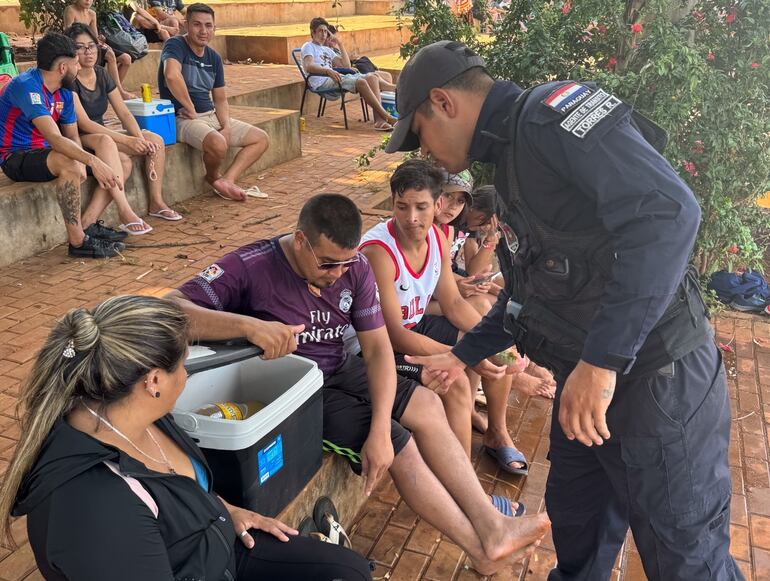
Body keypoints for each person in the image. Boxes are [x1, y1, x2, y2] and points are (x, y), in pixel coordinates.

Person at [389, 40, 740, 580]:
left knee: (685, 559)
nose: (425, 150)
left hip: (655, 381)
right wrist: (464, 356)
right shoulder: (508, 164)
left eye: (419, 130)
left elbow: (669, 215)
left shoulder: (551, 118)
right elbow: (529, 291)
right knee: (578, 533)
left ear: (443, 101)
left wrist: (601, 364)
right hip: (586, 385)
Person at [166, 193, 550, 576]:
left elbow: (379, 349)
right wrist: (248, 326)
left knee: (428, 407)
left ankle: (491, 525)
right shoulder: (251, 266)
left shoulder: (356, 267)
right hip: (298, 393)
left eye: (345, 263)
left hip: (341, 366)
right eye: (328, 263)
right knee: (403, 447)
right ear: (300, 240)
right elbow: (170, 307)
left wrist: (381, 426)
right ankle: (478, 549)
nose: (337, 273)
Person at [0, 295, 375, 580]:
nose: (188, 373)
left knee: (350, 571)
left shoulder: (135, 412)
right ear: (154, 381)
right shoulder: (95, 509)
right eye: (182, 363)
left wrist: (224, 510)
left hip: (216, 543)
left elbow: (176, 485)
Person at [352, 159, 531, 475]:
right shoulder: (379, 251)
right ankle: (466, 487)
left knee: (491, 345)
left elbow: (453, 303)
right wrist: (463, 357)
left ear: (438, 204)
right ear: (392, 203)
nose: (411, 218)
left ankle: (496, 433)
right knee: (456, 380)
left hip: (415, 324)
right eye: (402, 206)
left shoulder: (438, 236)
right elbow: (395, 335)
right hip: (375, 344)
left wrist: (500, 346)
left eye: (421, 207)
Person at [0, 32, 126, 258]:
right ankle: (78, 242)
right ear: (62, 68)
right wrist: (90, 161)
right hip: (16, 157)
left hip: (49, 153)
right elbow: (56, 138)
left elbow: (71, 136)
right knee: (70, 161)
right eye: (76, 63)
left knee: (121, 162)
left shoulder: (65, 91)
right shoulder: (27, 87)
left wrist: (85, 160)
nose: (79, 68)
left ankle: (87, 224)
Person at [431, 176, 556, 401]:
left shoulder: (450, 230)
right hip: (427, 302)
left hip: (445, 289)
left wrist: (490, 237)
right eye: (447, 197)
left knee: (496, 295)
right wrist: (466, 284)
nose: (452, 207)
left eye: (459, 201)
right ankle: (515, 366)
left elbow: (469, 272)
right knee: (485, 304)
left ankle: (522, 362)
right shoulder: (443, 229)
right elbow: (465, 273)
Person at [66, 23, 182, 225]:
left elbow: (124, 112)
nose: (88, 52)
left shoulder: (101, 74)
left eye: (91, 46)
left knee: (154, 140)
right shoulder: (70, 80)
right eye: (80, 47)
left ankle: (156, 202)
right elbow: (84, 123)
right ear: (71, 51)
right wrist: (128, 141)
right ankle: (90, 221)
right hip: (80, 137)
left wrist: (138, 137)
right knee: (122, 160)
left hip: (103, 134)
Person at [159, 3, 269, 201]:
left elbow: (220, 98)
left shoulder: (214, 58)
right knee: (218, 144)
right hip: (183, 118)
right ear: (186, 25)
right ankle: (212, 177)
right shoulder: (175, 45)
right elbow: (171, 76)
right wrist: (191, 108)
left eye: (208, 26)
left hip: (210, 115)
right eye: (197, 25)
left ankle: (228, 180)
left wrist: (226, 125)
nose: (203, 31)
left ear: (214, 28)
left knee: (260, 139)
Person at [301, 17, 397, 131]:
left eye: (326, 31)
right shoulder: (308, 46)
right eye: (321, 31)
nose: (324, 34)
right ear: (313, 32)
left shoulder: (327, 50)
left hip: (335, 77)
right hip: (321, 82)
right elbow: (309, 66)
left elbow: (346, 66)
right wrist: (327, 71)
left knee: (373, 77)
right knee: (361, 82)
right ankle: (387, 117)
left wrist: (340, 43)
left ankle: (380, 120)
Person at [63, 0, 134, 100]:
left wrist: (100, 39)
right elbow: (68, 34)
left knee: (126, 59)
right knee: (109, 54)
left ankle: (115, 90)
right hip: (78, 46)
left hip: (92, 44)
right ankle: (118, 93)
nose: (88, 1)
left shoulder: (92, 14)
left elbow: (94, 37)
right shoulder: (70, 10)